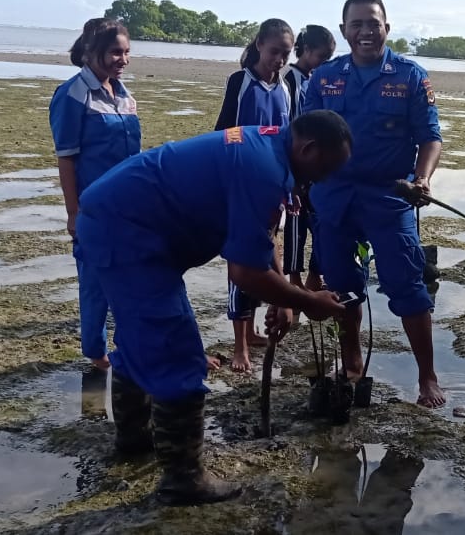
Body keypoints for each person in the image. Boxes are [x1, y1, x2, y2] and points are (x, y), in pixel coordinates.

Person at [74, 112, 352, 505]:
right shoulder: (263, 169)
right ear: (308, 149)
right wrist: (308, 302)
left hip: (121, 222)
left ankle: (135, 440)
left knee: (142, 340)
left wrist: (282, 296)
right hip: (128, 235)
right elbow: (244, 273)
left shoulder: (270, 146)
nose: (323, 180)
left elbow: (262, 234)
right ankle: (182, 480)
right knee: (177, 354)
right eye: (325, 169)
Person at [302, 0, 447, 408]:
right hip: (334, 197)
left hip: (390, 196)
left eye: (373, 23)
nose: (366, 31)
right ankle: (351, 364)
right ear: (344, 29)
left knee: (408, 285)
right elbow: (304, 137)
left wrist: (422, 179)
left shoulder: (411, 76)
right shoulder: (324, 77)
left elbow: (430, 138)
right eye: (357, 24)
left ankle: (427, 376)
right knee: (343, 286)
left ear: (387, 27)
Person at [49, 18, 141, 372]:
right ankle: (97, 355)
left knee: (129, 276)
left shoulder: (125, 95)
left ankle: (130, 345)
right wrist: (73, 213)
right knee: (95, 283)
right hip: (94, 208)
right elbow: (67, 158)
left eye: (127, 52)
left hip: (129, 207)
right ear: (91, 52)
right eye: (116, 52)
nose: (123, 59)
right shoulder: (73, 95)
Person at [213, 18, 296, 373]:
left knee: (266, 254)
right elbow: (223, 132)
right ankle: (240, 346)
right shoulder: (240, 82)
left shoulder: (288, 86)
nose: (278, 59)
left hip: (273, 186)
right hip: (241, 184)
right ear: (259, 45)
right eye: (274, 51)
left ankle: (252, 328)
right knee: (241, 261)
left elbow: (292, 137)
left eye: (285, 54)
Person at [280, 25, 338, 325]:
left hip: (316, 163)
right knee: (294, 224)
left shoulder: (319, 80)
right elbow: (291, 122)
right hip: (297, 159)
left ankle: (315, 274)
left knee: (319, 222)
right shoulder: (288, 79)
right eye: (321, 56)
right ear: (305, 50)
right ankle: (293, 277)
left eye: (329, 57)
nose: (325, 62)